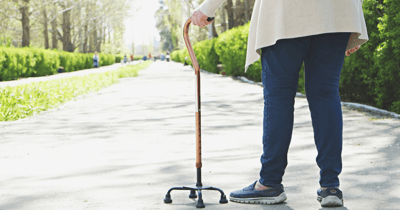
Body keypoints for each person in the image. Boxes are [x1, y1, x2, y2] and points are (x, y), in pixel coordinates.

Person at [191, 0, 368, 207]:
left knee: (279, 98)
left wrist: (207, 8)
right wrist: (352, 18)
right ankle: (331, 187)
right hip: (337, 11)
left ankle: (269, 183)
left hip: (285, 12)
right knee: (325, 94)